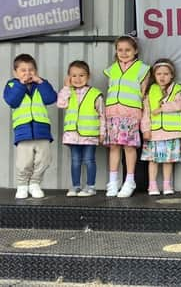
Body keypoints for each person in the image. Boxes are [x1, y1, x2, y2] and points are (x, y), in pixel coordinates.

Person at [3, 54, 57, 199]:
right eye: (23, 70)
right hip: (23, 131)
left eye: (31, 70)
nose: (27, 73)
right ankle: (22, 186)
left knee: (44, 160)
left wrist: (41, 82)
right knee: (24, 162)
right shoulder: (12, 85)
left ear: (36, 71)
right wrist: (21, 84)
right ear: (15, 72)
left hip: (42, 131)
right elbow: (12, 101)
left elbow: (51, 98)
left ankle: (34, 183)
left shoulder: (41, 84)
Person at [103, 35, 151, 198]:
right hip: (112, 113)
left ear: (135, 51)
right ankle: (113, 181)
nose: (124, 53)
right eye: (120, 50)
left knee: (129, 147)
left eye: (128, 50)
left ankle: (130, 180)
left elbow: (144, 94)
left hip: (130, 113)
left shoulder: (142, 69)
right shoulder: (112, 69)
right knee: (114, 147)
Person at [57, 60, 106, 197]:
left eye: (81, 75)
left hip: (89, 134)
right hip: (73, 135)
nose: (77, 79)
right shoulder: (67, 92)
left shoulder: (95, 93)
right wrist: (66, 88)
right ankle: (75, 186)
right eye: (74, 76)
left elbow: (102, 115)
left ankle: (90, 186)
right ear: (69, 77)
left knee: (89, 160)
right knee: (75, 161)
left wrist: (102, 133)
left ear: (88, 76)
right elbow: (61, 104)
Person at [141, 59, 181, 195]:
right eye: (159, 73)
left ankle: (167, 185)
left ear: (172, 75)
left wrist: (162, 108)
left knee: (168, 161)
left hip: (171, 133)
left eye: (166, 74)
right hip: (154, 133)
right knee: (153, 160)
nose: (162, 77)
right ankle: (152, 185)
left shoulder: (177, 89)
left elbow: (180, 105)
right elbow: (146, 112)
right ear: (154, 75)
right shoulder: (150, 91)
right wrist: (146, 129)